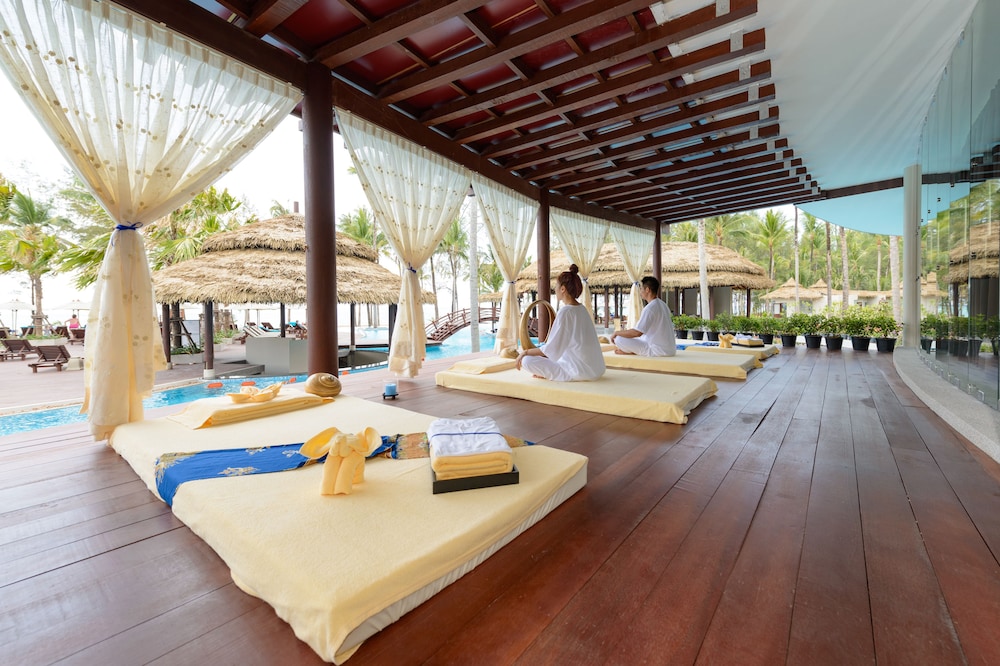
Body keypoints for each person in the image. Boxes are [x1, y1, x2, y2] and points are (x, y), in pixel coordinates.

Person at [516, 264, 606, 382]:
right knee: (550, 358)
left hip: (578, 372)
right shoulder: (582, 309)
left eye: (557, 286)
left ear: (563, 289)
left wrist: (525, 352)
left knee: (526, 360)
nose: (555, 289)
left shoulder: (566, 312)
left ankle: (548, 374)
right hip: (596, 370)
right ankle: (547, 372)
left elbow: (552, 349)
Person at [610, 275, 676, 356]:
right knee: (637, 338)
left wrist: (616, 333)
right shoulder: (663, 304)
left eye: (641, 288)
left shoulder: (650, 308)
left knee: (618, 339)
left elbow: (637, 333)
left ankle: (632, 352)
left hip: (657, 351)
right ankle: (632, 351)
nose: (640, 291)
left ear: (647, 290)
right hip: (670, 350)